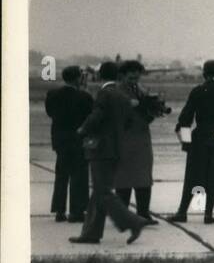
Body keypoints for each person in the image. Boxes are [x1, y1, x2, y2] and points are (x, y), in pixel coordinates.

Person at [68, 61, 149, 244]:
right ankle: (91, 233)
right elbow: (128, 121)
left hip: (101, 149)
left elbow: (96, 116)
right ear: (118, 75)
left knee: (103, 192)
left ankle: (134, 221)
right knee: (98, 193)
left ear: (100, 74)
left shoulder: (105, 93)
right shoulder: (121, 95)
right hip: (116, 149)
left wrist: (82, 130)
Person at [172, 60, 214, 224]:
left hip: (199, 138)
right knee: (213, 178)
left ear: (204, 74)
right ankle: (208, 214)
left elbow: (185, 119)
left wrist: (186, 142)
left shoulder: (197, 91)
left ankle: (182, 212)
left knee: (193, 177)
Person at [111, 60, 159, 223]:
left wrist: (152, 112)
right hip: (125, 138)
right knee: (124, 178)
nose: (134, 79)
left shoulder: (142, 90)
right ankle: (123, 215)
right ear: (122, 75)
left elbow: (146, 114)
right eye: (131, 76)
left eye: (137, 75)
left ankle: (143, 213)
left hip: (141, 138)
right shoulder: (117, 91)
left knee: (144, 177)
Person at [45, 65, 93, 223]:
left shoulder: (52, 94)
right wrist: (85, 91)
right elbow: (90, 115)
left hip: (60, 139)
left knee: (61, 175)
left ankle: (59, 210)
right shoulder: (84, 96)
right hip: (78, 138)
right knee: (79, 175)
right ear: (77, 78)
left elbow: (50, 113)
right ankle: (77, 211)